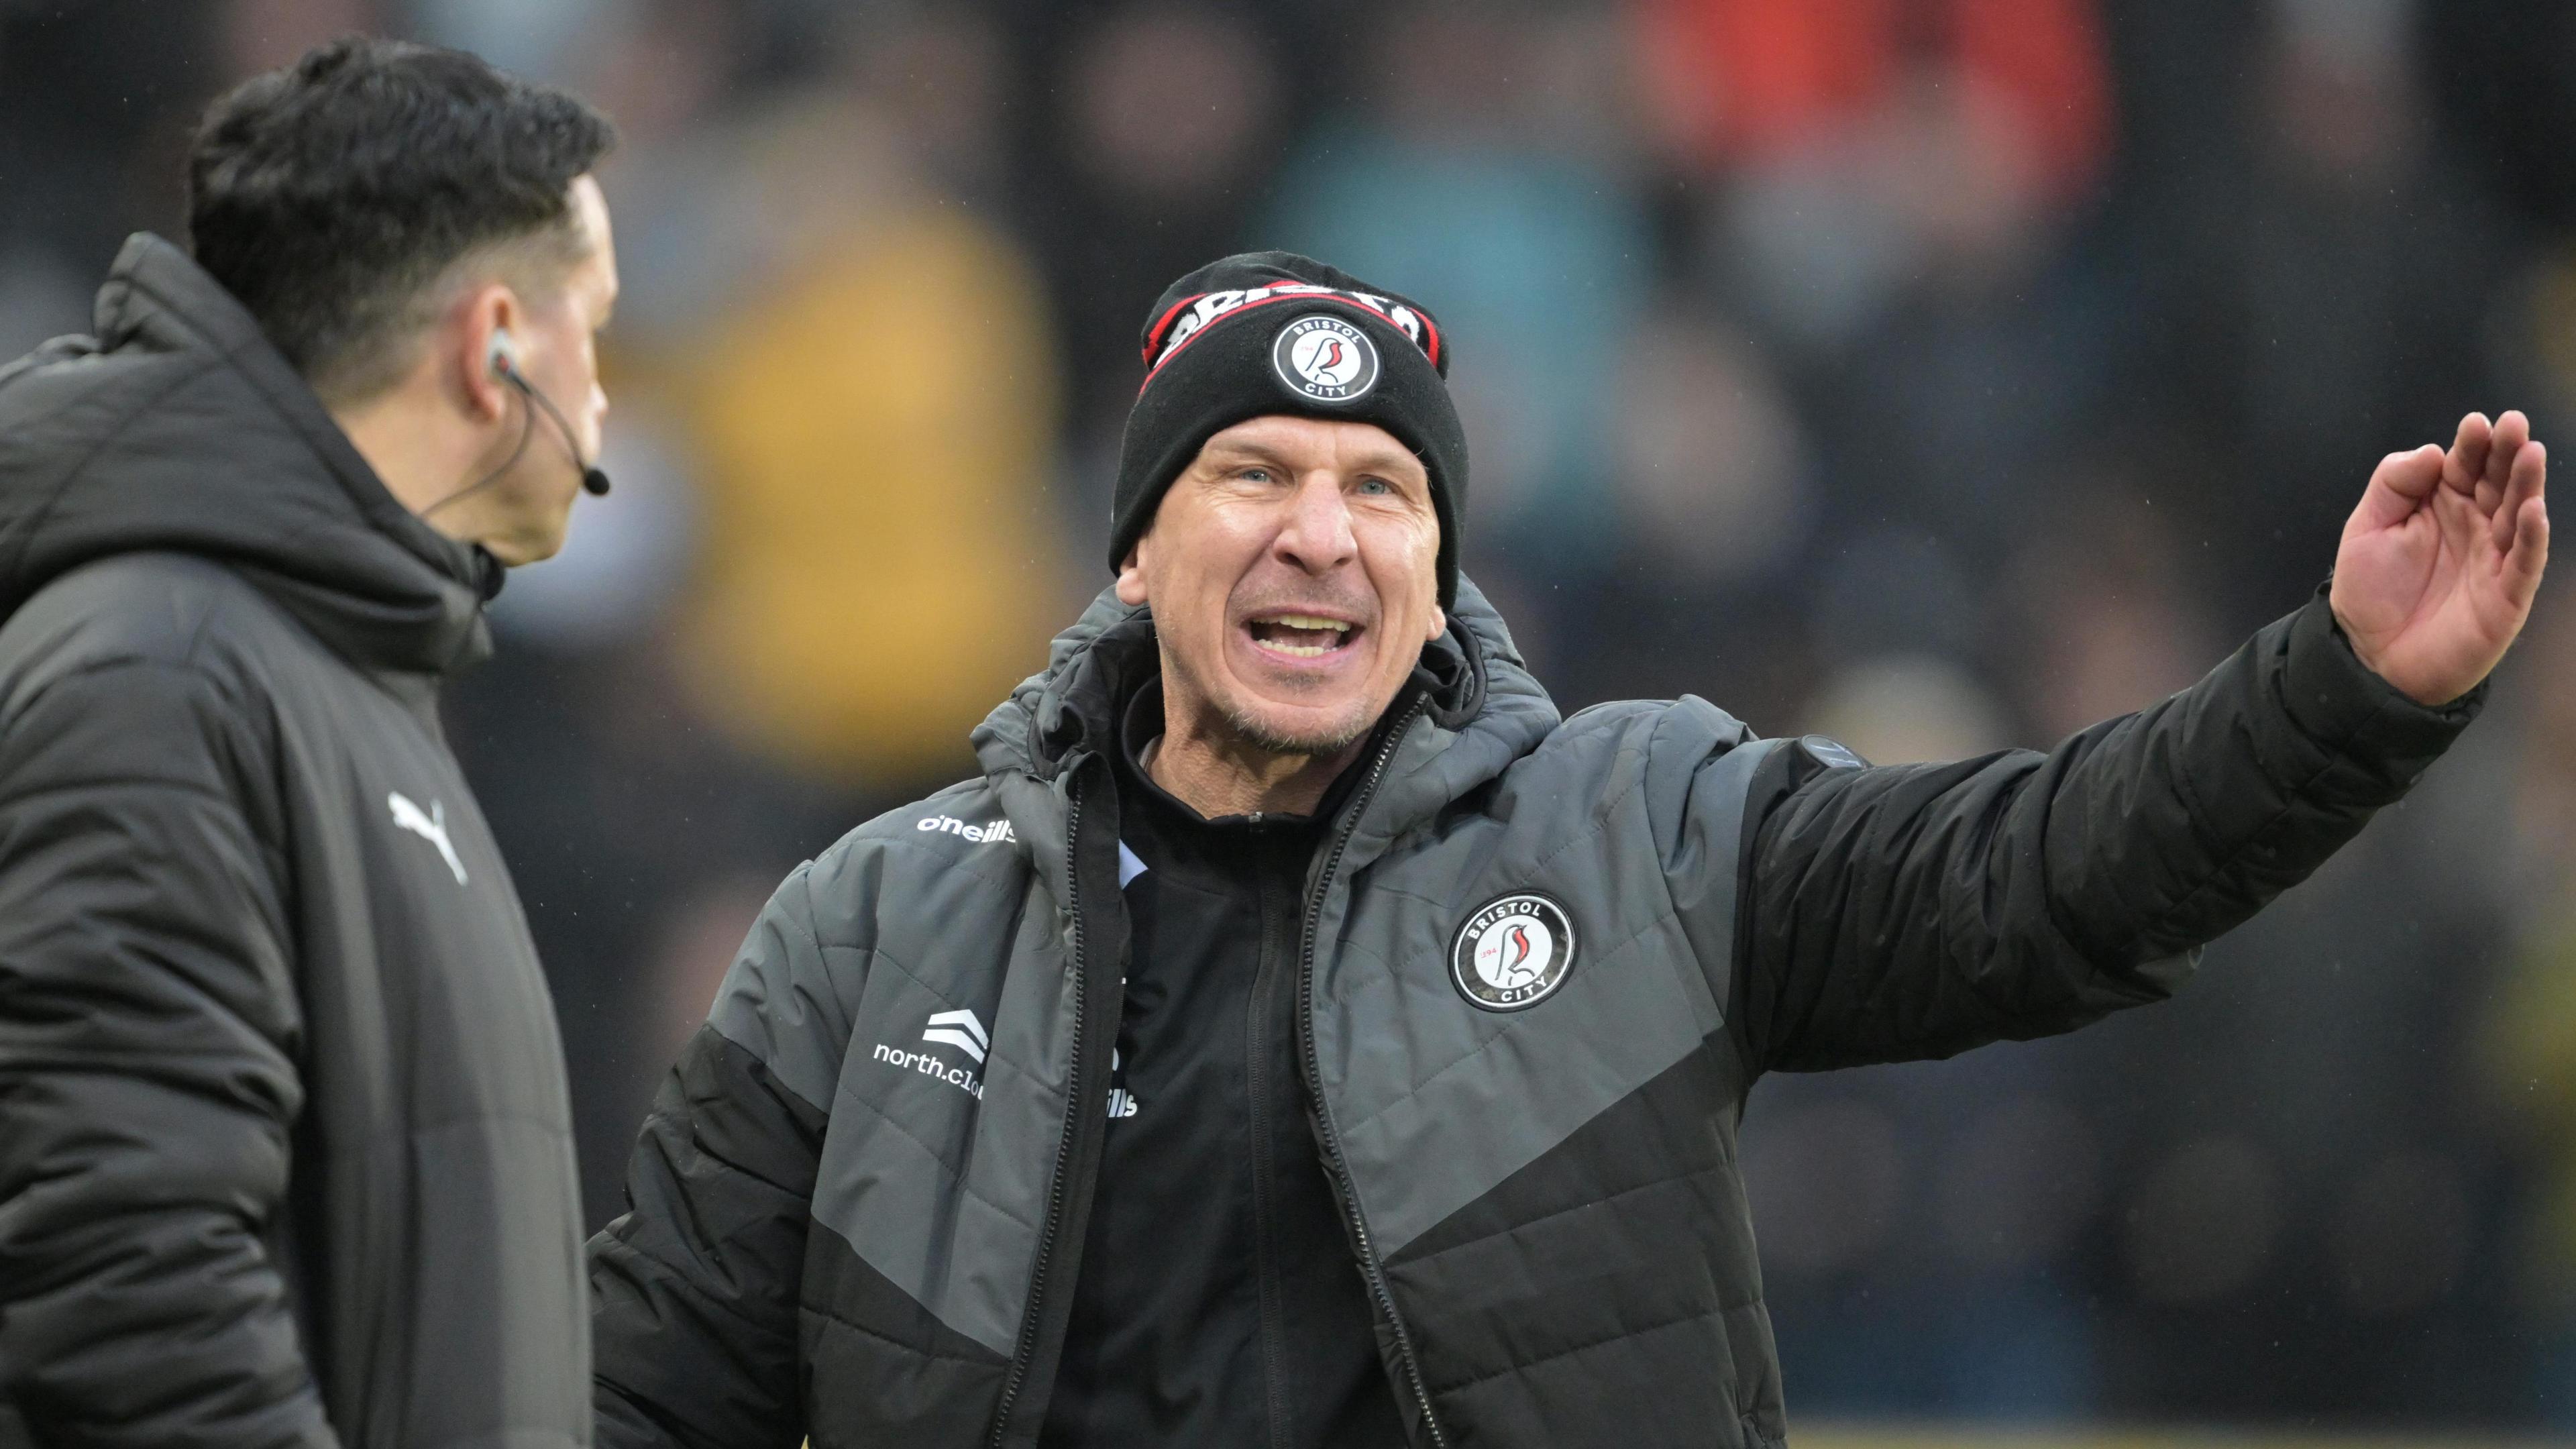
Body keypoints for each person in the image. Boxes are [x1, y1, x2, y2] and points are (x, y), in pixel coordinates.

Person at [586, 252, 2548, 1449]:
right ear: (1132, 556)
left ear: (1439, 580)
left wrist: (2345, 690)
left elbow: (2043, 873)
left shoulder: (1645, 832)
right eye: (1251, 476)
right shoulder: (878, 930)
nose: (1321, 532)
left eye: (1382, 491)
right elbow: (641, 1395)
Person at [0, 38, 618, 1449]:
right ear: (496, 344)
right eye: (596, 326)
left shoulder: (322, 665)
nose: (602, 402)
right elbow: (124, 1292)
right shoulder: (159, 674)